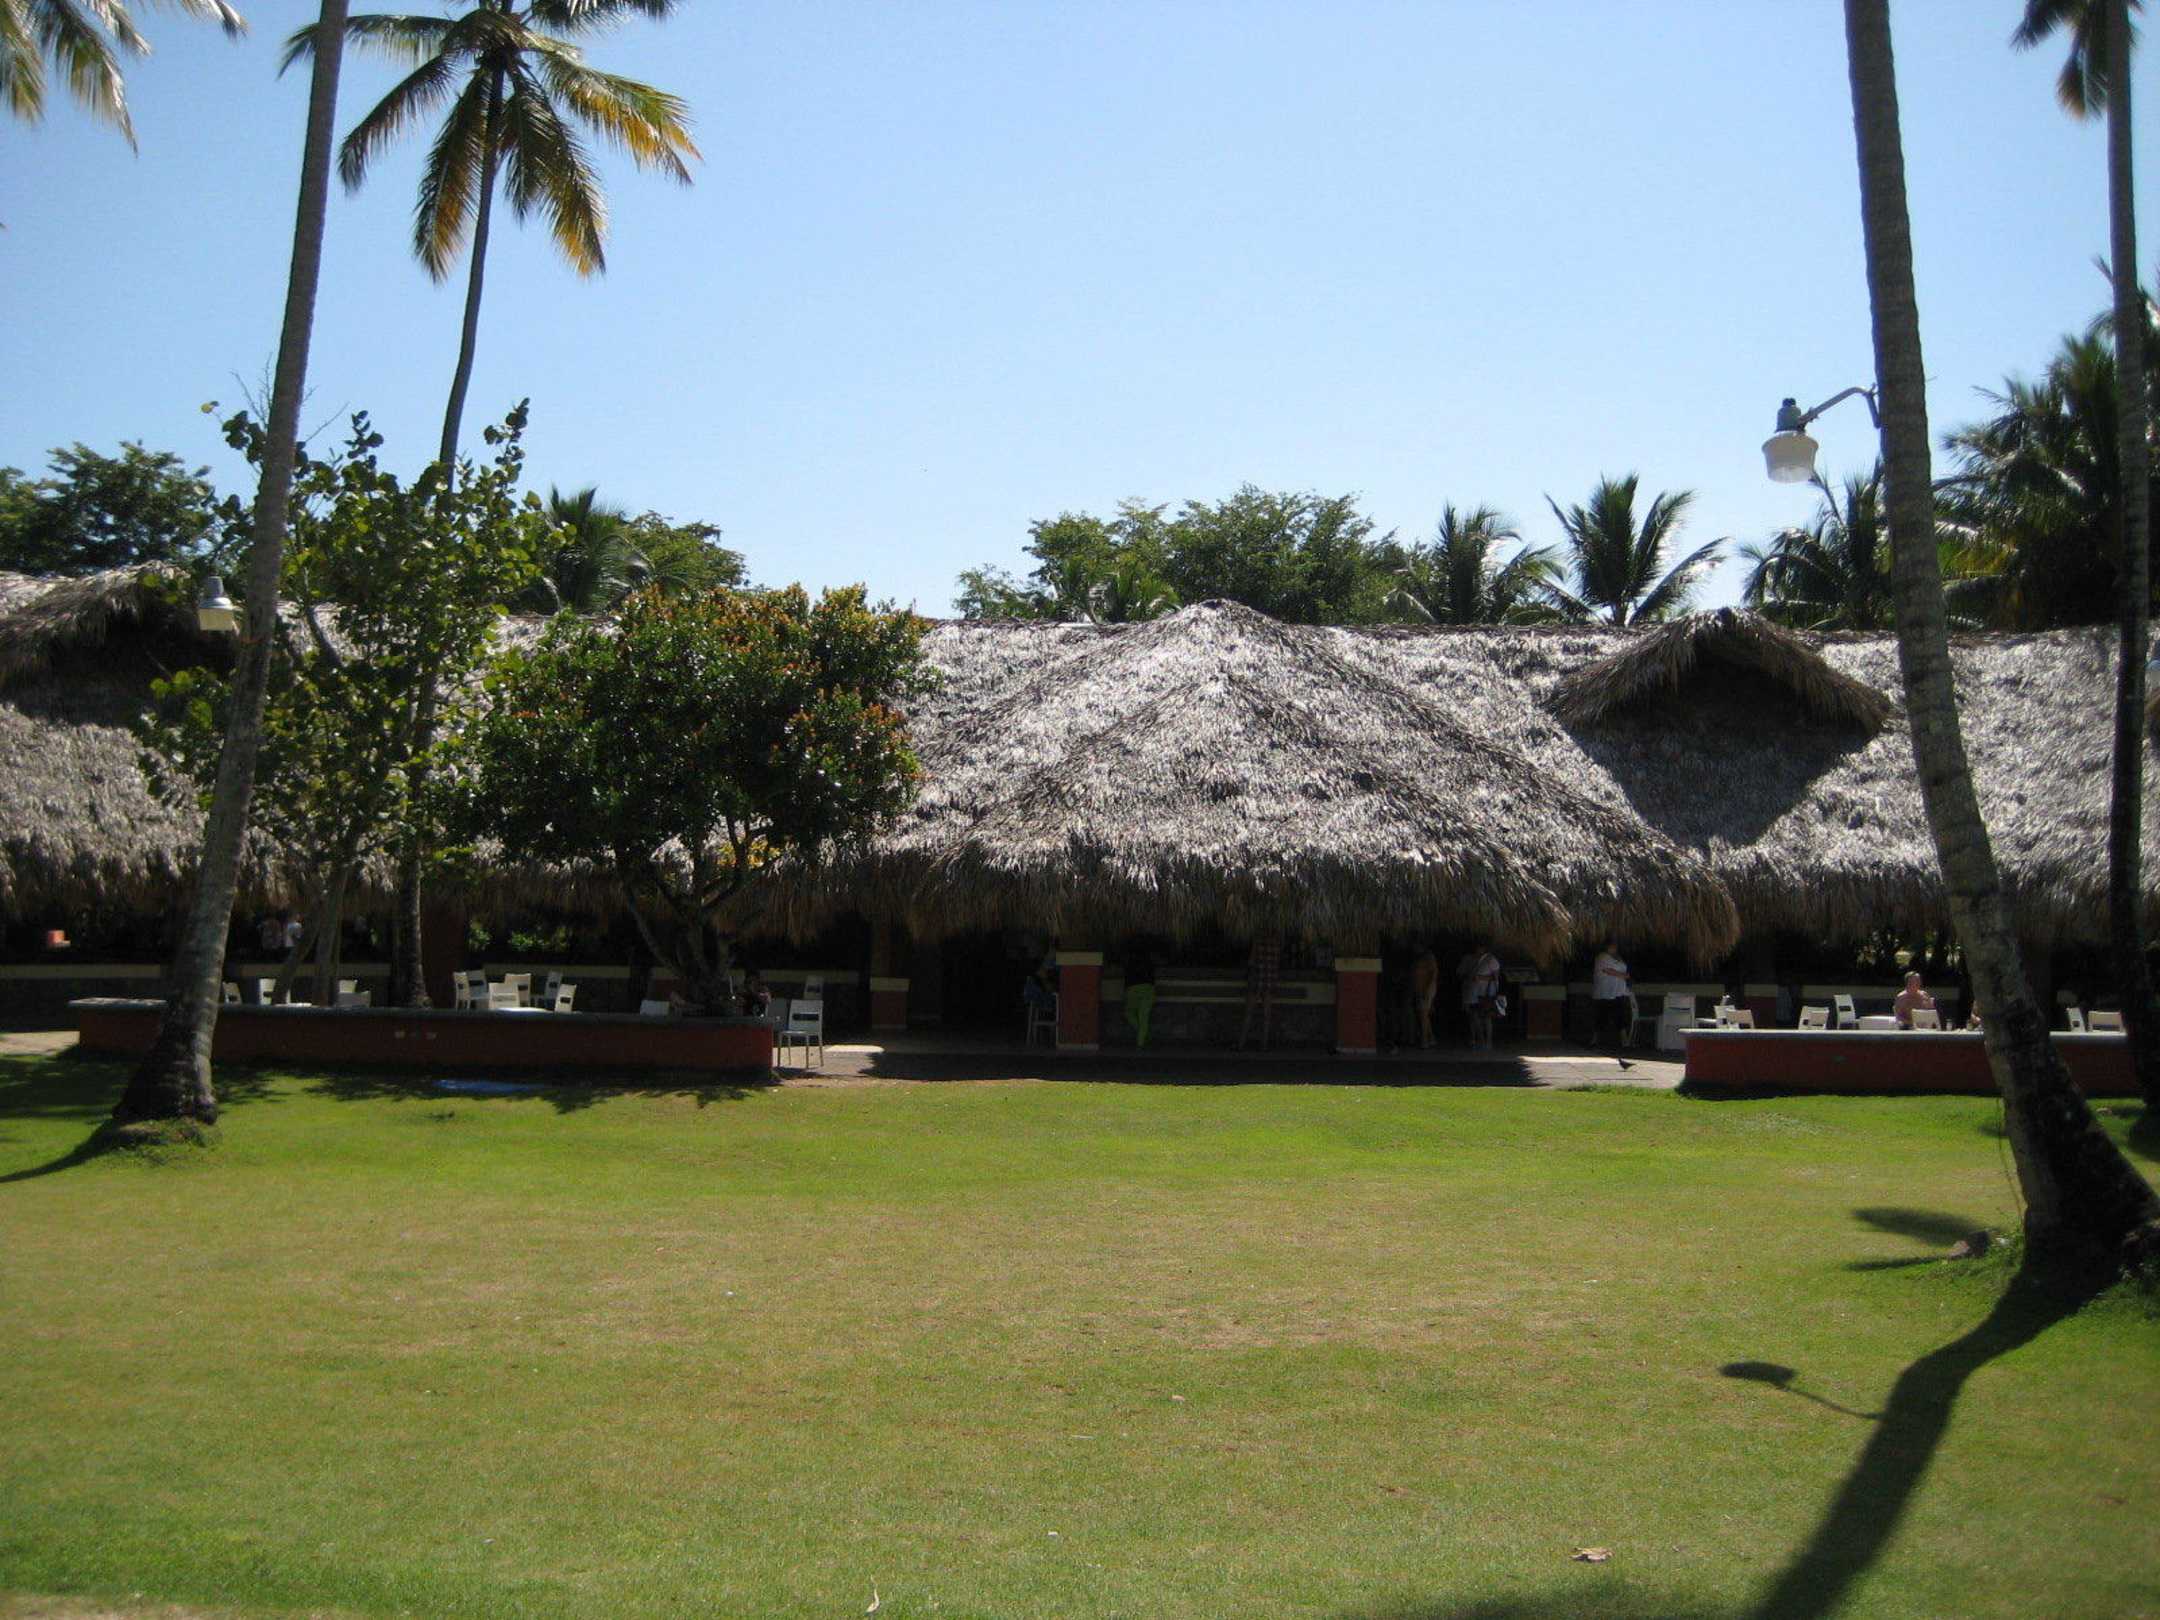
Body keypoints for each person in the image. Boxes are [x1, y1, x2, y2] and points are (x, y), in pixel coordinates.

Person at [1239, 932, 1281, 1051]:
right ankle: (1264, 1044)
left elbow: (1251, 961)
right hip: (1270, 980)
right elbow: (1277, 961)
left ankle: (1241, 1043)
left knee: (1249, 1013)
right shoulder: (1277, 941)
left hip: (1257, 979)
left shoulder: (1257, 939)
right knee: (1267, 1015)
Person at [1592, 940, 1634, 1049]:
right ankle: (1595, 1040)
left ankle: (1624, 1041)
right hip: (1605, 992)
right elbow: (1608, 970)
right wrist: (1623, 975)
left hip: (1618, 992)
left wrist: (1625, 978)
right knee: (1601, 1016)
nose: (1615, 948)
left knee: (1620, 1015)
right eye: (1613, 946)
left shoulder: (1618, 958)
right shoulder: (1602, 957)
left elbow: (1623, 969)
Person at [1464, 941, 1502, 1051]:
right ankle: (1481, 1040)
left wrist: (1480, 978)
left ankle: (1488, 1042)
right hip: (1474, 993)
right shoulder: (1473, 959)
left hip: (1486, 993)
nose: (1477, 949)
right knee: (1474, 1016)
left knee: (1486, 1017)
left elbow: (1496, 977)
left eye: (1479, 947)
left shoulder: (1491, 959)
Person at [1123, 940, 1158, 1048]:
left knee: (1129, 1013)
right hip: (1148, 989)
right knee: (1144, 1017)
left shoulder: (1130, 961)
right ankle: (1141, 1040)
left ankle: (1142, 1035)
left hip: (1133, 989)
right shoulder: (1149, 961)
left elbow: (1126, 976)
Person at [1410, 948, 1440, 1048]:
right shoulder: (1418, 958)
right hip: (1420, 989)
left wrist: (1428, 989)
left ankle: (1425, 1039)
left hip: (1425, 989)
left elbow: (1434, 974)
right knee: (1423, 1015)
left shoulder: (1428, 957)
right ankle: (1431, 1037)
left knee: (1423, 1015)